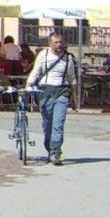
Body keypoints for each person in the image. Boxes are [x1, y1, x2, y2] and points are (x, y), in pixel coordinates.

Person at [27, 30, 77, 166]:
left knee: (58, 124)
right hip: (45, 91)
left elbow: (72, 78)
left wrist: (74, 98)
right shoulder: (43, 55)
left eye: (61, 42)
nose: (59, 45)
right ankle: (49, 148)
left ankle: (55, 152)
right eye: (56, 42)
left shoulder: (68, 58)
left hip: (62, 91)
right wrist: (29, 84)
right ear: (50, 43)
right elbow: (36, 71)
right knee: (47, 123)